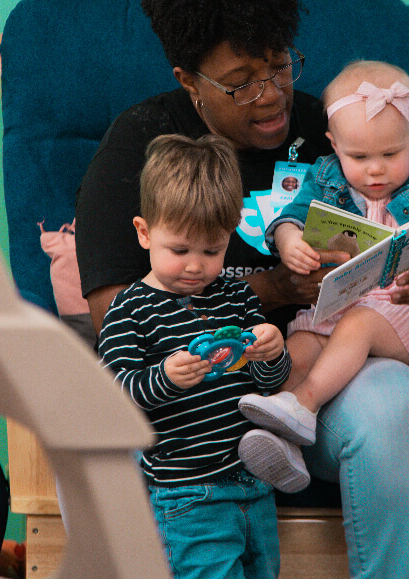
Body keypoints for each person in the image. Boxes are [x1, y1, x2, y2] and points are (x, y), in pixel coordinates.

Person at [73, 0, 409, 579]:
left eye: (280, 66)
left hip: (307, 385)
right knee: (95, 441)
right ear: (189, 81)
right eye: (240, 84)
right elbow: (111, 314)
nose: (270, 95)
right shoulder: (140, 145)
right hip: (189, 403)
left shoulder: (333, 130)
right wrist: (272, 291)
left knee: (395, 401)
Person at [238, 60, 409, 456]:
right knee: (300, 347)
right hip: (339, 309)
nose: (375, 170)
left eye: (390, 154)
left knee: (360, 323)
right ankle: (286, 445)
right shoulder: (326, 177)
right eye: (358, 157)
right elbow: (293, 216)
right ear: (334, 145)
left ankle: (304, 404)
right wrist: (289, 241)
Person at [97, 133, 291, 579]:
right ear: (144, 233)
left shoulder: (237, 297)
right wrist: (164, 376)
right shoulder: (130, 310)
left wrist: (270, 352)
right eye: (180, 250)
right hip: (187, 494)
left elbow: (268, 384)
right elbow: (117, 394)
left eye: (212, 251)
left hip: (253, 486)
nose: (195, 266)